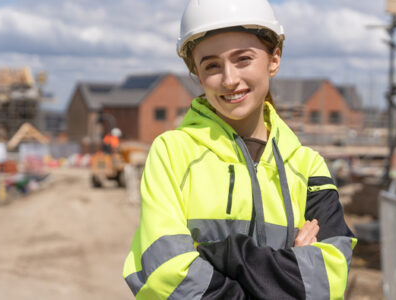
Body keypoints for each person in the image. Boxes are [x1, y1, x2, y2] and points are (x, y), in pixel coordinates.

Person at [123, 0, 356, 299]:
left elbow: (328, 278)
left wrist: (225, 256)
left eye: (243, 59)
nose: (230, 79)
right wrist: (289, 266)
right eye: (212, 65)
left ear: (274, 59)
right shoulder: (171, 153)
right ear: (196, 72)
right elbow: (166, 274)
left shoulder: (308, 167)